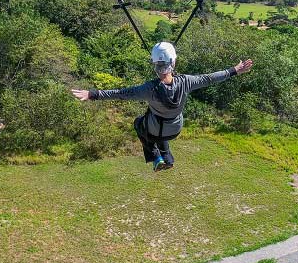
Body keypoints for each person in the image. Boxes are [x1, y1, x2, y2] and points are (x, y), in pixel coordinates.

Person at [71, 41, 253, 171]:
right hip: (176, 128)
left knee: (139, 123)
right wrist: (234, 70)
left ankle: (156, 157)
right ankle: (167, 159)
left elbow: (121, 93)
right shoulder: (186, 82)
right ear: (173, 63)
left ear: (155, 66)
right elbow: (209, 78)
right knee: (158, 125)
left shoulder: (148, 89)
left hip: (155, 129)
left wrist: (92, 94)